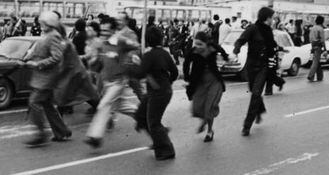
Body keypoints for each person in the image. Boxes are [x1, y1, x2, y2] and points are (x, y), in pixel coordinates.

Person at [84, 17, 138, 148]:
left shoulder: (121, 41)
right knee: (124, 107)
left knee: (104, 104)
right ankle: (148, 119)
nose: (103, 33)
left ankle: (95, 137)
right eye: (102, 30)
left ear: (113, 30)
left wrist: (130, 57)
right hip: (107, 82)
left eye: (106, 30)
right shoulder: (103, 44)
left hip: (119, 81)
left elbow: (136, 46)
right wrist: (94, 61)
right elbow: (99, 63)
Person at [24, 11, 71, 147]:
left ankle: (41, 133)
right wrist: (29, 57)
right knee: (47, 105)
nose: (40, 25)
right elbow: (40, 51)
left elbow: (56, 57)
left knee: (34, 102)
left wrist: (38, 64)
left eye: (43, 23)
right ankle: (62, 131)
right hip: (41, 76)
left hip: (47, 77)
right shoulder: (46, 35)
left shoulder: (54, 36)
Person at [233, 7, 278, 137]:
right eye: (272, 17)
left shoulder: (269, 31)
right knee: (254, 92)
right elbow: (241, 40)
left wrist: (278, 49)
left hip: (263, 66)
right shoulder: (253, 28)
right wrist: (236, 51)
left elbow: (271, 45)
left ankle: (246, 126)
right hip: (251, 66)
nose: (273, 20)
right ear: (267, 17)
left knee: (256, 93)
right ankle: (260, 110)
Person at [135, 27, 178, 161]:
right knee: (141, 115)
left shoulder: (149, 55)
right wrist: (167, 83)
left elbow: (140, 74)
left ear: (147, 41)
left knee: (153, 122)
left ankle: (167, 149)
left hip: (157, 93)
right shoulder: (164, 53)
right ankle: (159, 137)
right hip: (163, 91)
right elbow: (175, 73)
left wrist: (135, 64)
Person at [184, 32, 228, 142]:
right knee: (197, 108)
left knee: (209, 108)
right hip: (200, 83)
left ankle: (209, 131)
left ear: (206, 43)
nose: (197, 47)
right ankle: (204, 120)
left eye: (200, 44)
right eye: (196, 44)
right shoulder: (193, 51)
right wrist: (187, 77)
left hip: (214, 82)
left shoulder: (212, 48)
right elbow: (186, 63)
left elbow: (221, 49)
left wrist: (225, 57)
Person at [307, 16, 326, 82]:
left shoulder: (313, 28)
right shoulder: (320, 29)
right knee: (315, 62)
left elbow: (310, 38)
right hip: (318, 46)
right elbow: (322, 40)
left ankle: (320, 76)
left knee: (317, 61)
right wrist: (325, 49)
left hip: (313, 45)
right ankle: (310, 75)